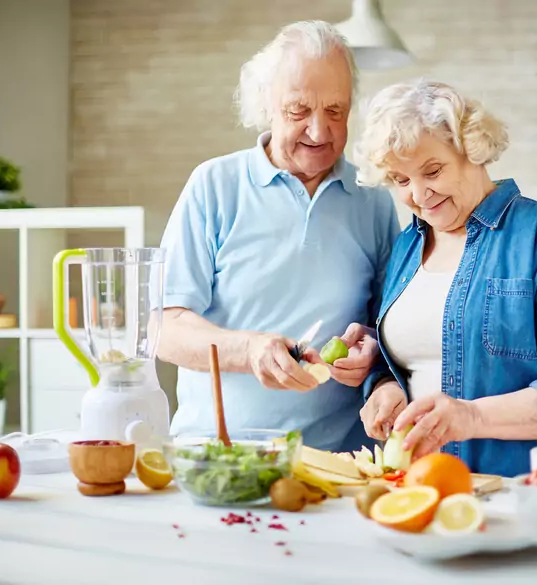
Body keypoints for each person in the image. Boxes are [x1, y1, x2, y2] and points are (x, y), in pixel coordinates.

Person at [156, 21, 400, 452]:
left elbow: (390, 323)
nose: (320, 132)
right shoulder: (214, 185)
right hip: (220, 456)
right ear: (266, 104)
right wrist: (248, 350)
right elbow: (165, 329)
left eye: (336, 111)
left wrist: (374, 353)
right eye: (299, 111)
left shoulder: (373, 200)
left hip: (338, 463)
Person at [353, 80, 537, 477]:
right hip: (417, 485)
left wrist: (473, 417)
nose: (420, 196)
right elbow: (410, 358)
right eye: (401, 181)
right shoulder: (407, 246)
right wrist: (383, 386)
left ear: (470, 148)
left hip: (516, 489)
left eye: (432, 170)